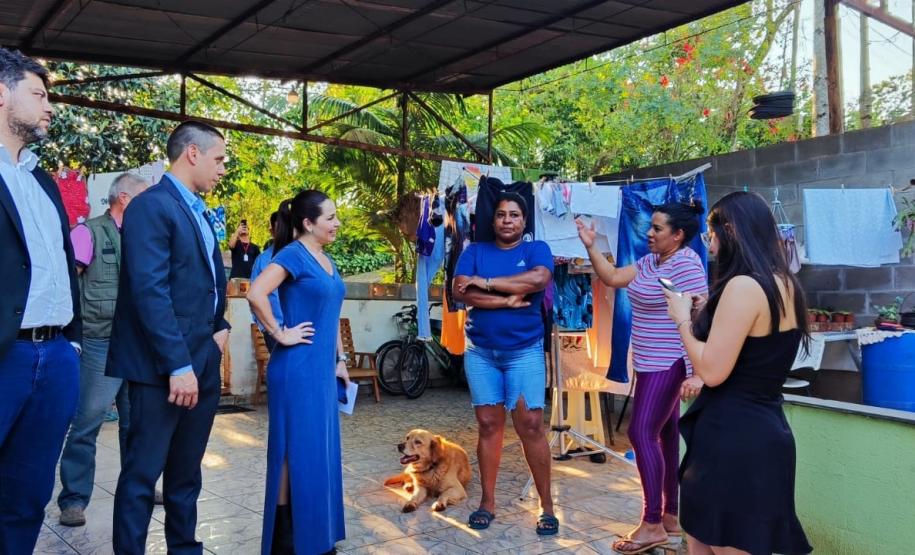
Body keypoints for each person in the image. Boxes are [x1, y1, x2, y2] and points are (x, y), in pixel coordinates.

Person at [663, 192, 812, 555]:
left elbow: (711, 371)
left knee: (717, 543)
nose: (710, 244)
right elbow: (754, 347)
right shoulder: (784, 282)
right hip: (764, 432)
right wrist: (706, 311)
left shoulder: (742, 286)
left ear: (730, 230)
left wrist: (682, 319)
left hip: (734, 438)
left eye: (710, 234)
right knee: (709, 537)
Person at [107, 121, 230, 554]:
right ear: (191, 154)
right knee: (142, 475)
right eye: (219, 159)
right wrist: (178, 365)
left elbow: (209, 281)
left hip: (203, 358)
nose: (223, 169)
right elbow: (149, 290)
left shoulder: (196, 210)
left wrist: (221, 326)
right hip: (163, 367)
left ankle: (184, 548)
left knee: (186, 473)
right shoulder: (151, 206)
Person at [575, 201, 708, 554]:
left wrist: (697, 373)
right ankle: (670, 520)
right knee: (664, 437)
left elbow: (701, 313)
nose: (649, 233)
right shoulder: (652, 261)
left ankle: (651, 524)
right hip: (648, 362)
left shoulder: (687, 264)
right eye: (651, 226)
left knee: (640, 432)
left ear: (678, 236)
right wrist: (590, 245)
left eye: (658, 228)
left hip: (669, 363)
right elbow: (614, 277)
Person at [0, 47, 82, 554]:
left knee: (29, 495)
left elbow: (59, 266)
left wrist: (70, 344)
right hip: (5, 354)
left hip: (54, 357)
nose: (50, 106)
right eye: (39, 94)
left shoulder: (42, 179)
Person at [247, 190, 349, 555]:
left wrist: (341, 360)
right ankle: (287, 543)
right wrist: (278, 333)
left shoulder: (326, 258)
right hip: (296, 369)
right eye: (331, 217)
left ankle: (315, 537)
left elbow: (330, 314)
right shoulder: (293, 254)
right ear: (308, 223)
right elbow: (256, 293)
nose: (337, 223)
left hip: (321, 371)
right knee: (293, 454)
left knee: (317, 452)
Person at [452, 193, 558, 536]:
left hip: (524, 351)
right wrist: (506, 302)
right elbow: (459, 292)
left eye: (514, 215)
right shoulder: (474, 251)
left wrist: (486, 283)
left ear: (524, 221)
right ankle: (488, 502)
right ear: (493, 219)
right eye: (501, 215)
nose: (507, 220)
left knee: (529, 425)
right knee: (487, 425)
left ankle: (547, 507)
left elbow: (537, 280)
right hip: (481, 352)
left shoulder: (535, 249)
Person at [58, 172, 150, 527]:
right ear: (124, 198)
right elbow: (69, 282)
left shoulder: (143, 236)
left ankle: (138, 488)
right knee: (87, 422)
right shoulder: (88, 232)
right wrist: (73, 336)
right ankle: (74, 498)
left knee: (137, 424)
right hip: (100, 341)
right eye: (145, 195)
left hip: (138, 344)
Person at [250, 211, 283, 351]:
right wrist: (268, 329)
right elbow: (253, 297)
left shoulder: (305, 256)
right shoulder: (263, 261)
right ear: (271, 231)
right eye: (279, 229)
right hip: (276, 332)